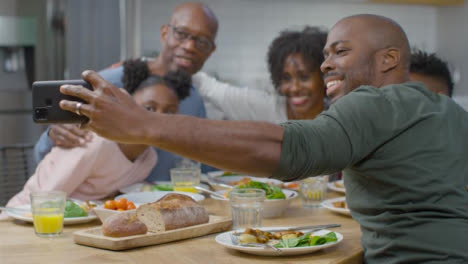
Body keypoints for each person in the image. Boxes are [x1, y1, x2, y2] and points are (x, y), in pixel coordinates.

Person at [59, 14, 468, 263]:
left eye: (340, 51)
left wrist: (143, 125)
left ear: (389, 59)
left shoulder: (374, 103)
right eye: (326, 54)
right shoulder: (449, 112)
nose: (326, 64)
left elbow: (286, 149)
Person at [32, 2, 219, 180]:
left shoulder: (194, 100)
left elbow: (201, 164)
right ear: (164, 34)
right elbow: (44, 156)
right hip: (106, 206)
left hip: (170, 203)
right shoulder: (106, 83)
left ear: (211, 51)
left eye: (202, 42)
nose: (189, 47)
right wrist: (54, 135)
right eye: (181, 34)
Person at [7, 61, 191, 207]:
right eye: (149, 108)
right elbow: (45, 201)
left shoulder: (149, 158)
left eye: (169, 112)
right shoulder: (93, 144)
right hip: (23, 219)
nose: (157, 117)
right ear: (127, 105)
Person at [192, 26, 327, 122]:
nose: (295, 88)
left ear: (324, 76)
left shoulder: (339, 116)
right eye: (286, 78)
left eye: (303, 77)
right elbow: (211, 89)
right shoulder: (268, 109)